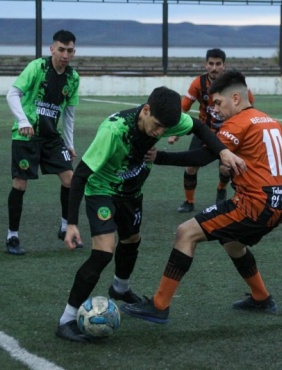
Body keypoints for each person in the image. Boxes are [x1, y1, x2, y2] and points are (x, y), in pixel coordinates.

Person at [55, 86, 246, 342]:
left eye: (165, 129)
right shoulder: (114, 130)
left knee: (131, 240)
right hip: (102, 190)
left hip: (132, 192)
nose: (159, 133)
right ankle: (66, 320)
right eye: (156, 126)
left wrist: (222, 151)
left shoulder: (167, 120)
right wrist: (71, 223)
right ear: (145, 110)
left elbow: (200, 128)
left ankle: (120, 288)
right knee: (103, 252)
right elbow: (79, 177)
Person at [121, 70, 282, 324]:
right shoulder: (269, 120)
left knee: (186, 232)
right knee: (232, 241)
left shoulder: (237, 123)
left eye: (218, 103)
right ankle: (261, 298)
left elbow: (203, 157)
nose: (215, 109)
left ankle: (159, 306)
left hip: (256, 203)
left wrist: (159, 157)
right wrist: (265, 178)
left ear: (236, 98)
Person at [5, 29, 81, 256]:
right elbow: (12, 94)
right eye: (61, 49)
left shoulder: (73, 78)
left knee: (71, 180)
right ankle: (12, 236)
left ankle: (65, 227)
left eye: (69, 50)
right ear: (52, 49)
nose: (65, 55)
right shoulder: (37, 67)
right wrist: (22, 121)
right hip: (26, 136)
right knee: (20, 184)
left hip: (52, 138)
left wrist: (69, 143)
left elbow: (69, 114)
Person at [170, 48, 255, 213]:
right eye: (211, 64)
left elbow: (249, 104)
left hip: (229, 131)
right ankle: (189, 201)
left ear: (224, 65)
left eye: (218, 64)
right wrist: (175, 130)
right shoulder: (198, 83)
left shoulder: (234, 84)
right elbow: (184, 108)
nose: (214, 68)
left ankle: (221, 189)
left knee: (225, 168)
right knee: (191, 166)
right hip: (204, 131)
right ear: (206, 64)